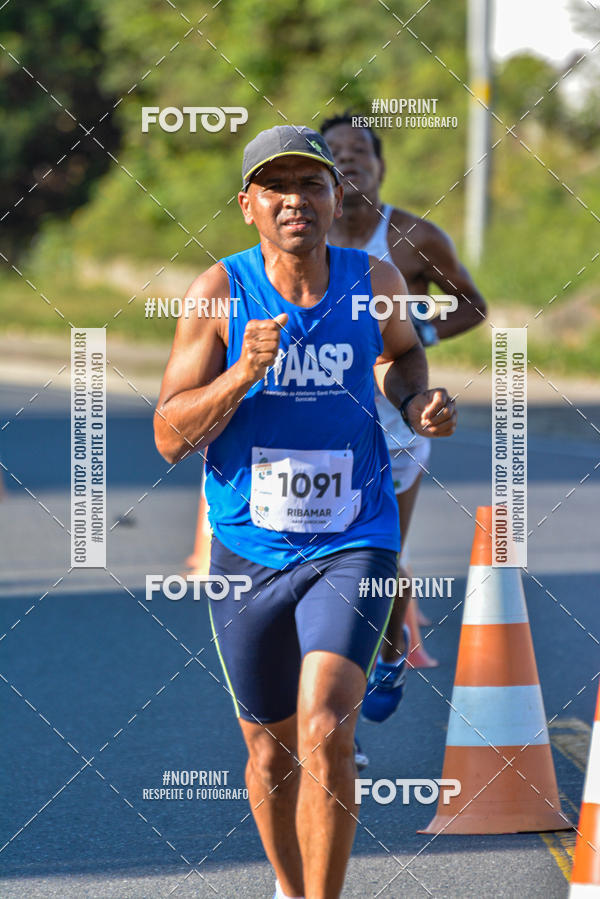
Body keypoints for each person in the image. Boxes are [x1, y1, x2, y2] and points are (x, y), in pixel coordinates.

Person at [154, 124, 457, 899]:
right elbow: (167, 435)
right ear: (250, 205)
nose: (297, 201)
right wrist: (239, 375)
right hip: (248, 546)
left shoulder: (375, 277)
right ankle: (290, 889)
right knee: (269, 750)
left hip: (355, 533)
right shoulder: (219, 293)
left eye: (312, 185)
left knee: (325, 723)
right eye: (278, 189)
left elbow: (401, 353)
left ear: (335, 197)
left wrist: (417, 399)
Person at [320, 113, 487, 731]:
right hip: (323, 428)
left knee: (381, 554)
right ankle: (329, 703)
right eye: (335, 151)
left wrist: (423, 332)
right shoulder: (304, 238)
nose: (351, 158)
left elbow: (471, 303)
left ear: (381, 166)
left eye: (361, 149)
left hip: (396, 420)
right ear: (321, 173)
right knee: (326, 558)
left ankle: (388, 655)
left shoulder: (413, 236)